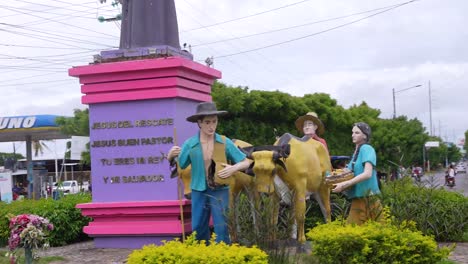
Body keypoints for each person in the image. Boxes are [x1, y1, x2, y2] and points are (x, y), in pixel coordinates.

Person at [168, 102, 250, 244]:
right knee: (198, 226)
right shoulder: (190, 144)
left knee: (222, 226)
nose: (211, 126)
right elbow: (180, 165)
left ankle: (223, 255)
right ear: (199, 123)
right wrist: (170, 157)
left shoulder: (224, 142)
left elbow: (246, 162)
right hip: (198, 189)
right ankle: (202, 255)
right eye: (207, 122)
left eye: (214, 121)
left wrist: (233, 168)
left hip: (220, 190)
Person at [332, 122, 382, 225]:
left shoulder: (367, 149)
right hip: (358, 197)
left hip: (368, 197)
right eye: (352, 132)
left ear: (365, 135)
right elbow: (350, 171)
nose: (353, 135)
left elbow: (367, 173)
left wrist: (344, 184)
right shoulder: (356, 153)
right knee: (359, 230)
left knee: (361, 228)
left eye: (357, 133)